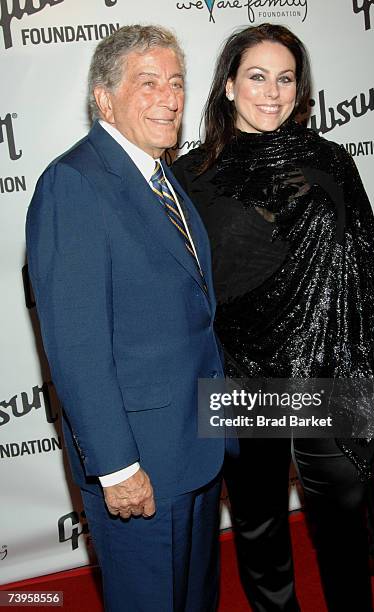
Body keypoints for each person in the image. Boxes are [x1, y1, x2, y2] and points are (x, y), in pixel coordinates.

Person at [173, 23, 374, 612]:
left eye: (285, 79)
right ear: (229, 86)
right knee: (259, 529)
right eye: (257, 77)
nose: (272, 92)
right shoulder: (190, 177)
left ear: (299, 89)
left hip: (329, 367)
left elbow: (366, 264)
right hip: (240, 372)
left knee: (341, 524)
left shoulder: (330, 160)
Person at [26, 25, 225, 612]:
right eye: (148, 83)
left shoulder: (164, 177)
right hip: (138, 462)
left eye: (177, 83)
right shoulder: (75, 184)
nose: (169, 97)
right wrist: (116, 466)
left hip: (193, 448)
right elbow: (76, 343)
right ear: (103, 98)